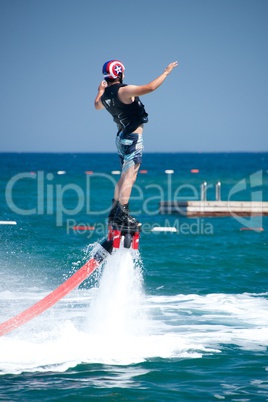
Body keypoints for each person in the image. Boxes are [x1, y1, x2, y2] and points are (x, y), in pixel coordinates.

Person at [94, 59, 178, 229]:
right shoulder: (123, 91)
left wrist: (100, 91)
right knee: (130, 177)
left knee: (124, 176)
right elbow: (150, 87)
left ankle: (114, 213)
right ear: (119, 73)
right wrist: (166, 72)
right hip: (132, 137)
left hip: (121, 137)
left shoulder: (105, 95)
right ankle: (123, 215)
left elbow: (97, 106)